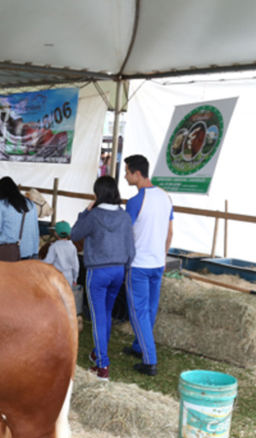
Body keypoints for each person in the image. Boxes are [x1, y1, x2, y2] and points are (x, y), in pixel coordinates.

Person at [70, 176, 135, 381]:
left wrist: (85, 212)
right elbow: (131, 248)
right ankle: (98, 353)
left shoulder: (94, 214)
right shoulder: (124, 217)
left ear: (98, 194)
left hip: (97, 272)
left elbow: (74, 234)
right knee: (105, 314)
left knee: (98, 317)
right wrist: (125, 267)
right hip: (118, 271)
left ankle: (102, 367)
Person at [122, 154, 173, 377]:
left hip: (139, 265)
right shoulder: (165, 197)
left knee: (139, 312)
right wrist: (162, 256)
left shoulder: (135, 202)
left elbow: (125, 234)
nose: (124, 176)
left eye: (127, 172)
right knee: (150, 310)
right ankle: (139, 346)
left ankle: (149, 360)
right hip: (157, 263)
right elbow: (170, 232)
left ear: (137, 174)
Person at [0, 176, 38, 260]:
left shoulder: (1, 205)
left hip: (9, 253)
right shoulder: (31, 204)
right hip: (28, 251)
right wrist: (35, 252)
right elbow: (35, 230)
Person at [44, 221, 78, 285]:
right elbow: (76, 266)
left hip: (56, 276)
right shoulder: (73, 247)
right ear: (70, 234)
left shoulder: (53, 247)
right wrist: (75, 278)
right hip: (69, 277)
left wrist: (37, 261)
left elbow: (48, 262)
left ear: (55, 233)